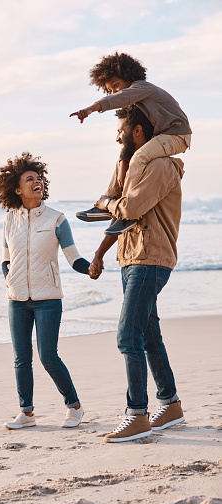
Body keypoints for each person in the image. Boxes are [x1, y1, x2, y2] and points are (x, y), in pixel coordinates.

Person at [89, 105, 185, 443]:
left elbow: (126, 208)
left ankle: (137, 415)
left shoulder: (161, 166)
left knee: (127, 336)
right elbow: (117, 208)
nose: (117, 136)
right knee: (147, 336)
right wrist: (100, 253)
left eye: (121, 130)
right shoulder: (131, 165)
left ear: (139, 131)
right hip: (130, 258)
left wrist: (105, 202)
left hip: (152, 259)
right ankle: (171, 405)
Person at [0, 152, 90, 430]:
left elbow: (74, 258)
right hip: (17, 300)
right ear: (17, 188)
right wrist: (9, 279)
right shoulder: (10, 219)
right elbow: (5, 258)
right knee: (21, 358)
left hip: (48, 299)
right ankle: (26, 413)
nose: (37, 183)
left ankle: (74, 406)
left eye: (39, 179)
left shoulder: (57, 219)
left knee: (48, 355)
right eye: (30, 179)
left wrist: (91, 268)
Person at [70, 51, 192, 236]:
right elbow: (128, 140)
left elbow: (121, 98)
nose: (114, 92)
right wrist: (122, 163)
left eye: (116, 85)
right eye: (110, 90)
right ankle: (108, 202)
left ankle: (129, 214)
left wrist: (91, 109)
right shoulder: (138, 101)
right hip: (162, 136)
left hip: (177, 135)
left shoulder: (143, 88)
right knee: (126, 158)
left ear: (129, 77)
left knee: (140, 156)